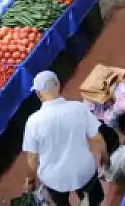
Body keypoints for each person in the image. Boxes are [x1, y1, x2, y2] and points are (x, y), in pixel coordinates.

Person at [23, 72, 107, 206]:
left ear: (38, 94)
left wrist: (31, 180)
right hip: (83, 170)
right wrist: (105, 157)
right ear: (58, 85)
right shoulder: (79, 108)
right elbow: (98, 138)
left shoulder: (33, 122)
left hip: (54, 179)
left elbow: (32, 158)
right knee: (94, 201)